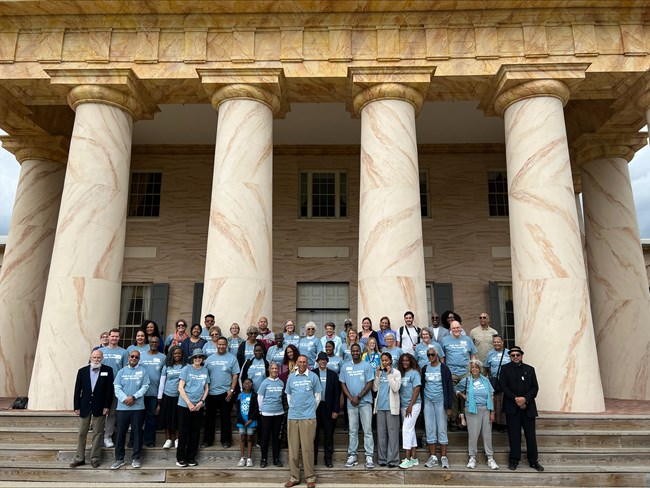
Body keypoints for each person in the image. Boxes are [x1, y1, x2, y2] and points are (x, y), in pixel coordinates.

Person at [498, 345, 544, 472]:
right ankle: (514, 461)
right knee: (514, 436)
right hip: (512, 408)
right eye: (512, 355)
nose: (515, 357)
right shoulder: (505, 369)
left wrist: (525, 399)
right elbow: (504, 386)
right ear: (510, 357)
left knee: (530, 436)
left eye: (517, 355)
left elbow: (535, 388)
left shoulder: (530, 369)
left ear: (521, 356)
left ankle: (533, 461)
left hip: (528, 408)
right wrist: (516, 400)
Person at [70, 349, 114, 469]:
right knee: (81, 433)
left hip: (100, 407)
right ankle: (79, 458)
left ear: (102, 358)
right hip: (84, 407)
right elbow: (77, 390)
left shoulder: (108, 371)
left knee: (98, 433)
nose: (96, 360)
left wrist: (107, 406)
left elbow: (110, 391)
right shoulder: (82, 371)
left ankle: (95, 458)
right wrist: (76, 406)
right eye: (94, 357)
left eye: (98, 358)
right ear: (90, 358)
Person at [284, 354, 322, 488]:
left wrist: (309, 410)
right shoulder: (291, 377)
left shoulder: (313, 377)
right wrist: (294, 407)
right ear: (297, 363)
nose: (302, 364)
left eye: (304, 362)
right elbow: (289, 395)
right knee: (293, 449)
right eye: (299, 362)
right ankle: (294, 477)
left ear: (307, 364)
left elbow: (317, 397)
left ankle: (310, 478)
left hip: (308, 418)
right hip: (293, 417)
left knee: (307, 449)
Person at [455, 359, 498, 471]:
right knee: (473, 435)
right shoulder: (466, 380)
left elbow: (492, 395)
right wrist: (463, 396)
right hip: (472, 410)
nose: (474, 369)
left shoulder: (485, 380)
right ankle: (472, 457)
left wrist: (492, 411)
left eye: (476, 367)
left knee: (487, 434)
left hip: (486, 409)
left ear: (480, 369)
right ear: (470, 369)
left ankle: (490, 458)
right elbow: (456, 389)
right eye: (472, 367)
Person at [111, 349, 150, 470]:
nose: (134, 358)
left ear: (139, 359)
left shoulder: (143, 371)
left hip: (138, 407)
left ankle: (136, 458)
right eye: (132, 356)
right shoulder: (122, 371)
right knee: (120, 433)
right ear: (128, 357)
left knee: (137, 432)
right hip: (122, 408)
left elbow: (145, 386)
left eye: (136, 357)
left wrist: (134, 397)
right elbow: (117, 387)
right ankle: (119, 459)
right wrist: (124, 399)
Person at [340, 343, 375, 470]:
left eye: (357, 351)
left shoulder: (366, 366)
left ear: (360, 352)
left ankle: (369, 456)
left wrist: (359, 397)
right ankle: (352, 455)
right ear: (351, 352)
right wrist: (351, 398)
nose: (355, 353)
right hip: (351, 404)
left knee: (367, 430)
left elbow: (370, 383)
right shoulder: (345, 367)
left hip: (365, 403)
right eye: (353, 351)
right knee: (353, 431)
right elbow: (343, 384)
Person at [202, 336, 240, 449]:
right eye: (219, 344)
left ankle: (226, 441)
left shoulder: (232, 358)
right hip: (211, 393)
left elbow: (235, 375)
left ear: (226, 345)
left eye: (223, 344)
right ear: (216, 345)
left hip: (225, 393)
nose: (221, 346)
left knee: (226, 418)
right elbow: (204, 375)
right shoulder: (209, 359)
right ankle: (208, 440)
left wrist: (232, 390)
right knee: (209, 418)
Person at [175, 349, 210, 468]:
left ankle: (191, 458)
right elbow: (180, 388)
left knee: (195, 433)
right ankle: (180, 458)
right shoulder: (186, 369)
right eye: (195, 357)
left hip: (198, 406)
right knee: (183, 432)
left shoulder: (205, 370)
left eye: (200, 357)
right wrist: (189, 403)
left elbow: (206, 388)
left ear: (203, 359)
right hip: (185, 405)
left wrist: (201, 402)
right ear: (192, 358)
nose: (197, 359)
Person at [421, 346, 454, 469]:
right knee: (430, 428)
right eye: (428, 355)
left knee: (441, 427)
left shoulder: (444, 369)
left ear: (437, 355)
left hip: (441, 401)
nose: (430, 357)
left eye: (432, 355)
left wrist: (449, 406)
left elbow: (449, 388)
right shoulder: (425, 368)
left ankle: (444, 457)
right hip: (428, 401)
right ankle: (433, 457)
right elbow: (423, 385)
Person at [442, 321, 477, 430]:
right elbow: (442, 356)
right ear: (450, 329)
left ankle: (466, 421)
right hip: (451, 373)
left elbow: (473, 354)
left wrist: (473, 367)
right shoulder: (445, 340)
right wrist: (444, 370)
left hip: (466, 373)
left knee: (467, 397)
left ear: (461, 328)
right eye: (454, 328)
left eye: (458, 328)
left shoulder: (467, 340)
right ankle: (453, 421)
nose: (456, 330)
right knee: (453, 398)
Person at [99, 328, 128, 448]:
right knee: (99, 413)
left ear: (119, 338)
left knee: (112, 413)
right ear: (108, 337)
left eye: (117, 336)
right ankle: (98, 436)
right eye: (112, 336)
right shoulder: (100, 351)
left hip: (115, 386)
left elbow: (125, 370)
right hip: (100, 386)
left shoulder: (123, 352)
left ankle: (108, 436)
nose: (114, 338)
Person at [373, 352, 401, 469]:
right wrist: (378, 375)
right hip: (380, 407)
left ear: (390, 361)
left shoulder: (396, 372)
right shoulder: (379, 372)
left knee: (393, 434)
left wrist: (389, 375)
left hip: (391, 408)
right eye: (382, 360)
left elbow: (395, 388)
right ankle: (382, 459)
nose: (384, 362)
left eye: (386, 360)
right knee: (381, 435)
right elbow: (375, 388)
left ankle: (393, 460)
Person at [313, 352, 340, 468]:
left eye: (324, 360)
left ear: (327, 361)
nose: (322, 362)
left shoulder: (333, 375)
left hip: (328, 408)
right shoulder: (312, 374)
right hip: (315, 408)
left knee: (329, 435)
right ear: (317, 361)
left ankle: (328, 459)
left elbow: (336, 394)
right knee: (314, 435)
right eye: (320, 360)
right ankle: (313, 458)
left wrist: (335, 410)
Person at [138, 336, 166, 447]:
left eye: (156, 342)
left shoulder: (163, 357)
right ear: (148, 343)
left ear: (159, 344)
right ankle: (134, 440)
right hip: (140, 393)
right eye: (152, 342)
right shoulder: (142, 356)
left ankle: (149, 441)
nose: (154, 343)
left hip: (154, 393)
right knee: (138, 417)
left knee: (151, 417)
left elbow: (164, 376)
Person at [158, 345, 185, 449]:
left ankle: (177, 439)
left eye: (179, 353)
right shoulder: (167, 366)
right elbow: (162, 381)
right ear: (171, 355)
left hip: (180, 396)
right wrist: (160, 396)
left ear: (182, 355)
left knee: (178, 419)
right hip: (167, 395)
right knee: (167, 418)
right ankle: (168, 439)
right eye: (175, 353)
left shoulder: (185, 366)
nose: (177, 355)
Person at [258, 362, 285, 468]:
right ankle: (264, 459)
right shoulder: (265, 383)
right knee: (265, 437)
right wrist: (262, 410)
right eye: (272, 368)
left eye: (276, 368)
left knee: (276, 437)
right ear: (269, 370)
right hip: (266, 413)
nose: (274, 370)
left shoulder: (281, 383)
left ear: (278, 370)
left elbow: (282, 397)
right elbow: (260, 397)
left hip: (278, 413)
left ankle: (276, 459)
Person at [397, 353, 422, 469]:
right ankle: (414, 458)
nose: (405, 363)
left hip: (413, 405)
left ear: (411, 361)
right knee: (410, 430)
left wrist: (410, 405)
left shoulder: (414, 373)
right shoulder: (401, 373)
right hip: (403, 405)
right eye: (403, 361)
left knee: (406, 429)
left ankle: (407, 459)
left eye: (407, 361)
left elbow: (417, 390)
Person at [485, 335, 510, 432]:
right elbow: (487, 368)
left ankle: (505, 424)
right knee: (496, 402)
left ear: (502, 342)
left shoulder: (508, 353)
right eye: (494, 342)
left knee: (505, 402)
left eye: (498, 341)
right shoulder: (490, 354)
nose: (496, 343)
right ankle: (496, 423)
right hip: (495, 382)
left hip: (507, 382)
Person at [236, 377, 259, 467]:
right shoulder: (240, 395)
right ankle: (242, 458)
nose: (247, 385)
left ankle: (249, 458)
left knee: (249, 438)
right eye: (245, 383)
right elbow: (238, 409)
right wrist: (242, 420)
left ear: (252, 385)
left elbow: (256, 409)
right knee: (242, 438)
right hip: (241, 421)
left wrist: (250, 420)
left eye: (249, 383)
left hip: (251, 421)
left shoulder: (254, 395)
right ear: (243, 385)